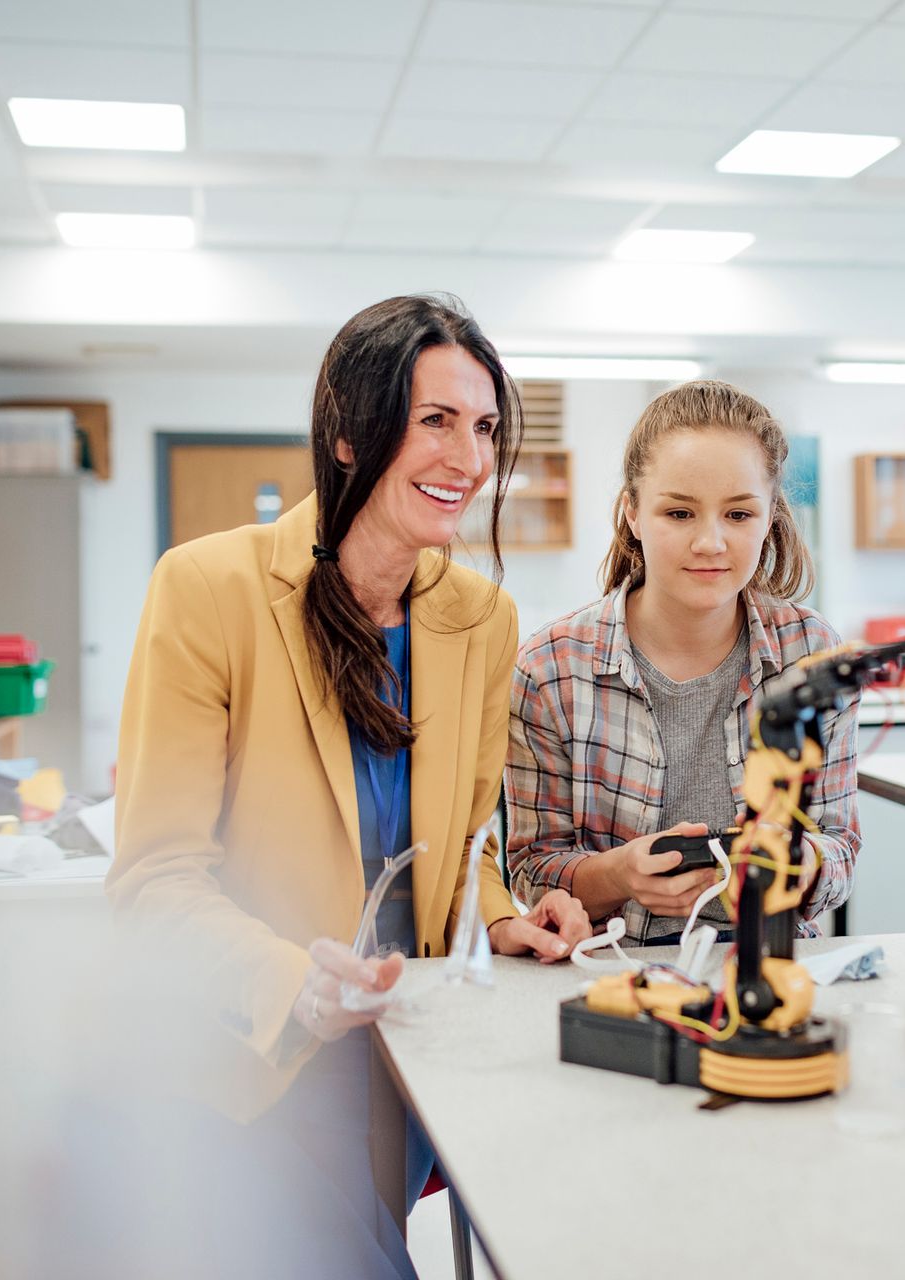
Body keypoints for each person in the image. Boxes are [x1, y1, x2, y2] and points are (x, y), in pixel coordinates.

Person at [107, 294, 592, 1278]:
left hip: (406, 1051)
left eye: (487, 426)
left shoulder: (480, 619)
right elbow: (153, 880)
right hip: (256, 1056)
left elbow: (463, 842)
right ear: (346, 431)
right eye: (436, 421)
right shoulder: (209, 589)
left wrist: (500, 916)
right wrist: (293, 983)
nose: (468, 457)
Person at [506, 380, 858, 943]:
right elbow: (530, 869)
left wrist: (798, 864)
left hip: (771, 974)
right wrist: (621, 873)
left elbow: (839, 847)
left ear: (770, 517)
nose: (711, 542)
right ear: (633, 514)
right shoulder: (551, 668)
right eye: (679, 513)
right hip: (611, 976)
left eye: (739, 514)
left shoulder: (812, 656)